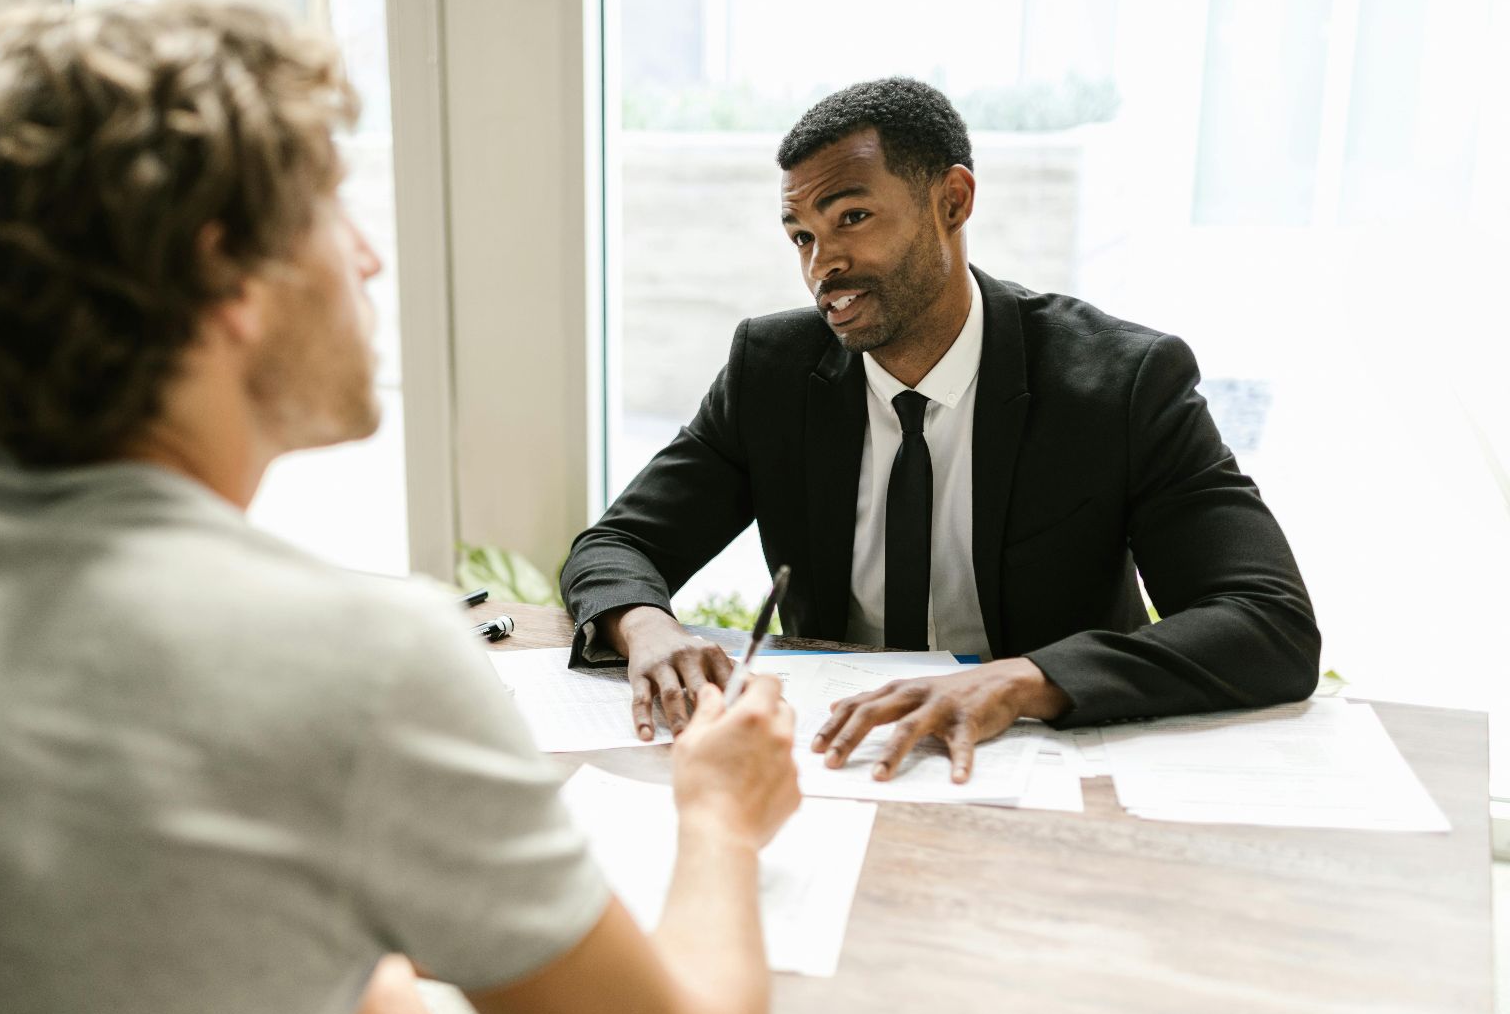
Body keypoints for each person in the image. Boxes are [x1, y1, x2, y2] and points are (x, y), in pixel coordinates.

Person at [0, 0, 801, 1014]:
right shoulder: (357, 663)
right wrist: (718, 818)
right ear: (228, 278)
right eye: (333, 206)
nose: (368, 255)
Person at [561, 77, 1321, 783]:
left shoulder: (1121, 382)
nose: (823, 264)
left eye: (852, 217)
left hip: (1043, 766)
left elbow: (1267, 622)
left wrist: (1027, 679)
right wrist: (646, 626)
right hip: (839, 763)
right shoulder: (773, 371)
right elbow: (618, 545)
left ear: (952, 202)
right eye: (801, 235)